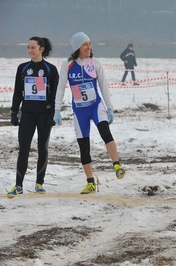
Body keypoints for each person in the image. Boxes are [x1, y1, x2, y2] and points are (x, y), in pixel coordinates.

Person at [54, 32, 126, 194]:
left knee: (105, 132)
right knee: (84, 146)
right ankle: (90, 182)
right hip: (79, 111)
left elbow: (103, 86)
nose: (89, 47)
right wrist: (57, 109)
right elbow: (60, 87)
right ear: (77, 47)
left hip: (95, 106)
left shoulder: (95, 63)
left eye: (90, 43)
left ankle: (116, 165)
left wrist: (109, 107)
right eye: (85, 44)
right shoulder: (67, 64)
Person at [7, 37, 59, 198]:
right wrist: (14, 112)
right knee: (23, 149)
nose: (30, 51)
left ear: (41, 49)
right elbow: (18, 92)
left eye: (33, 48)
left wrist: (53, 115)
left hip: (44, 115)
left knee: (42, 149)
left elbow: (55, 95)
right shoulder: (23, 68)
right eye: (28, 48)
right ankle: (18, 185)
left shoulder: (51, 69)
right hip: (28, 114)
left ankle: (39, 183)